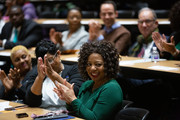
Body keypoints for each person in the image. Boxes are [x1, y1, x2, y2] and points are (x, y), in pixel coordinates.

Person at [52, 41, 123, 120]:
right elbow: (77, 113)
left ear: (109, 65)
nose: (92, 68)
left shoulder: (111, 88)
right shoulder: (87, 84)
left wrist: (73, 99)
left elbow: (94, 118)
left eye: (98, 64)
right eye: (89, 64)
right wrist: (68, 101)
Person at [25, 40, 84, 111]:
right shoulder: (35, 73)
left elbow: (77, 93)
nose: (47, 65)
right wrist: (40, 78)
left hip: (68, 114)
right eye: (43, 62)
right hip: (42, 113)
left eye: (49, 60)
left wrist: (54, 76)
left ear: (58, 54)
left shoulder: (74, 69)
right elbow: (31, 101)